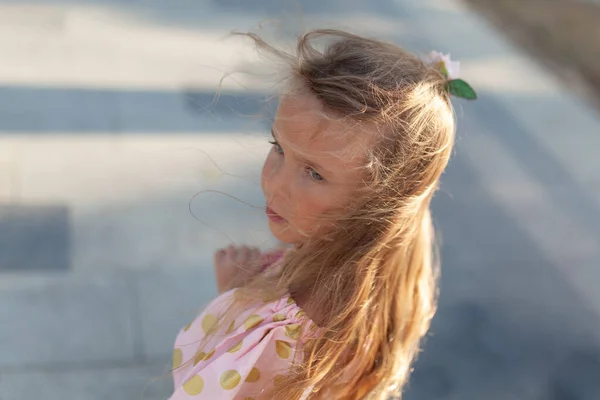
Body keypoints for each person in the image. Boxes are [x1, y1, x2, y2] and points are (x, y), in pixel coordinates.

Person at [169, 29, 476, 400]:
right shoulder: (392, 264)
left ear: (380, 203)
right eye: (278, 147)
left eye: (314, 173)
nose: (274, 182)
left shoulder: (285, 330)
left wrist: (235, 302)